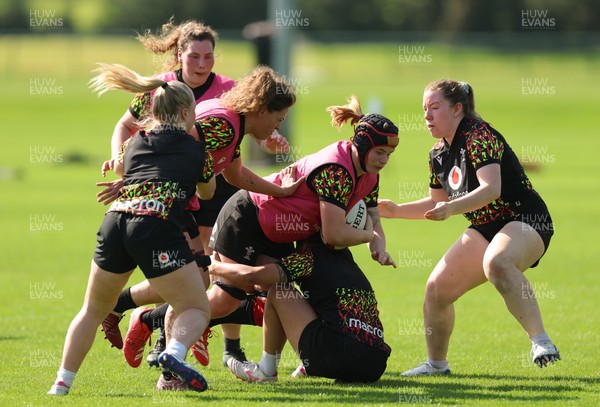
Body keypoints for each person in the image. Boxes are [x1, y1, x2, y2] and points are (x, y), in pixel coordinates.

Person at [95, 17, 292, 368]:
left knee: (200, 278)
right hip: (176, 193)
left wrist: (276, 178)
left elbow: (240, 158)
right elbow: (145, 139)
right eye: (195, 57)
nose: (202, 64)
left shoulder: (229, 97)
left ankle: (167, 338)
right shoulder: (167, 90)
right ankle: (159, 338)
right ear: (179, 56)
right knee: (192, 279)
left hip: (203, 190)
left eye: (208, 57)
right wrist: (129, 173)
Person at [48, 63, 215, 395]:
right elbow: (208, 193)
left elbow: (124, 168)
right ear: (184, 112)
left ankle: (61, 384)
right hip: (156, 225)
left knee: (92, 310)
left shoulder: (136, 141)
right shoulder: (198, 150)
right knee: (196, 307)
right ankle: (173, 354)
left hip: (115, 221)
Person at [378, 79, 559, 375]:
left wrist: (452, 208)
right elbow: (436, 203)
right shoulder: (437, 154)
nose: (426, 115)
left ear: (457, 108)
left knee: (497, 262)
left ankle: (541, 342)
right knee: (437, 290)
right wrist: (396, 211)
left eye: (434, 108)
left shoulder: (479, 135)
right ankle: (437, 366)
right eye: (424, 109)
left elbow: (492, 189)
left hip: (525, 218)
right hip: (486, 226)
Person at [205, 96, 398, 344]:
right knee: (226, 300)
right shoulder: (336, 170)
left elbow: (373, 215)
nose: (384, 160)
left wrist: (378, 247)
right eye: (379, 152)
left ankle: (268, 368)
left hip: (279, 230)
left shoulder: (369, 173)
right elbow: (333, 235)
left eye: (389, 154)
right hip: (249, 216)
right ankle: (155, 321)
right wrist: (368, 235)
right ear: (360, 146)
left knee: (281, 296)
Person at [208, 233, 392, 383]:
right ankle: (310, 368)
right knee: (321, 304)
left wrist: (212, 265)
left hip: (337, 353)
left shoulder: (308, 257)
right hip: (374, 363)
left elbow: (252, 277)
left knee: (279, 291)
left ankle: (266, 371)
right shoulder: (349, 263)